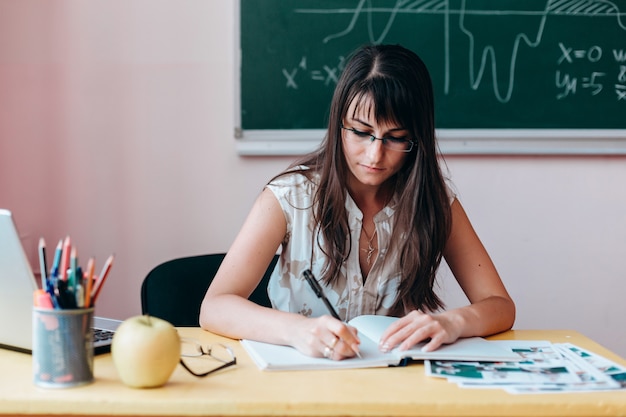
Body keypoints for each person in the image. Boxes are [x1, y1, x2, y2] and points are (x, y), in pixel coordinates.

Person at [199, 44, 515, 360]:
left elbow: (499, 305)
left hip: (390, 386)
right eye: (362, 132)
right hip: (299, 382)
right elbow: (215, 305)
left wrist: (452, 322)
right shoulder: (289, 196)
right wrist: (297, 330)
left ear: (417, 138)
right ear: (339, 124)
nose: (375, 155)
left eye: (395, 137)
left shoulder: (434, 201)